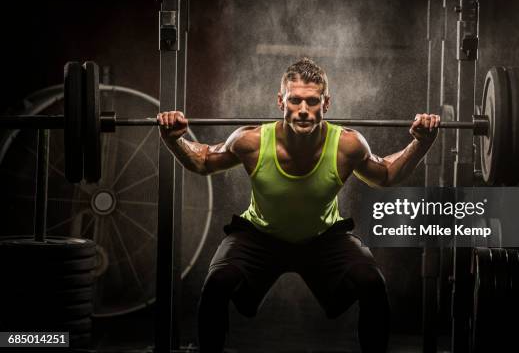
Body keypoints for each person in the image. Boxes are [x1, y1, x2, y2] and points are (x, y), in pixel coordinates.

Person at [157, 58, 440, 353]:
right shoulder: (250, 141)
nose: (303, 110)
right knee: (217, 282)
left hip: (323, 237)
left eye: (312, 101)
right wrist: (174, 140)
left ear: (326, 104)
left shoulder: (347, 145)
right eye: (294, 101)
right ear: (281, 101)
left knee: (372, 282)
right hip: (260, 235)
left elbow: (385, 175)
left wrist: (421, 143)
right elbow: (203, 160)